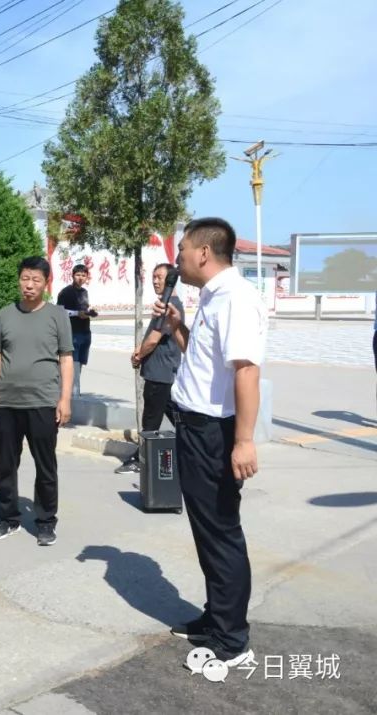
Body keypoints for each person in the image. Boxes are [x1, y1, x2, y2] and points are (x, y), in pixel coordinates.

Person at [153, 217, 267, 669]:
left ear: (203, 253)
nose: (177, 258)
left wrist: (244, 441)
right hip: (194, 428)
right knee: (207, 531)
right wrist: (178, 327)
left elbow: (246, 370)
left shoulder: (236, 298)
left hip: (213, 434)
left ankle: (231, 641)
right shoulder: (213, 297)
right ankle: (217, 616)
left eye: (182, 249)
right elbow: (205, 364)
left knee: (220, 533)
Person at [0, 256, 73, 547]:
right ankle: (8, 519)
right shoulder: (5, 315)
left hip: (43, 401)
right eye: (25, 278)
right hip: (7, 402)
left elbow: (66, 358)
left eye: (36, 280)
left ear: (46, 283)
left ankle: (45, 521)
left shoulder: (57, 315)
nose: (29, 285)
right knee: (7, 465)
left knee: (45, 465)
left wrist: (65, 399)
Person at [115, 263, 186, 474]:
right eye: (153, 277)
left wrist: (138, 355)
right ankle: (190, 451)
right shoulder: (167, 303)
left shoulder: (169, 305)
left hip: (159, 373)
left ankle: (141, 460)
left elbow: (154, 339)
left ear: (171, 280)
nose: (155, 281)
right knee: (177, 418)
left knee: (150, 421)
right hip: (163, 371)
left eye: (160, 277)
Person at [56, 264, 97, 396]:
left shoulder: (84, 292)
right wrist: (76, 313)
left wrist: (89, 312)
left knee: (79, 364)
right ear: (72, 275)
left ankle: (74, 393)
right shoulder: (65, 292)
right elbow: (59, 311)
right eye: (78, 275)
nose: (80, 278)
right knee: (71, 365)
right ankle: (71, 395)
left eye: (83, 275)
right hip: (72, 333)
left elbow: (83, 309)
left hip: (85, 332)